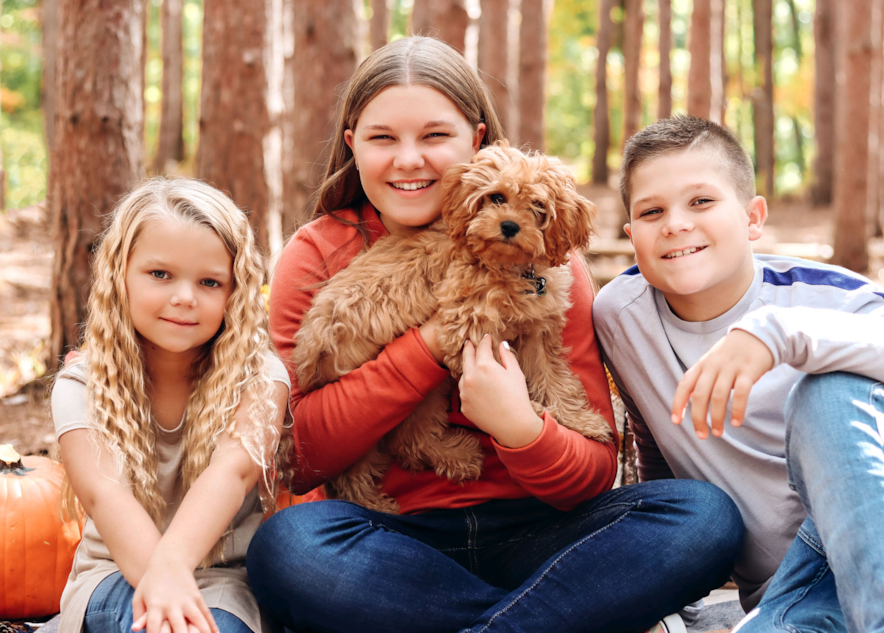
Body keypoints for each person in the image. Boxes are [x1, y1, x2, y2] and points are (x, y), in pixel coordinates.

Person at [246, 36, 743, 633]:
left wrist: (521, 428)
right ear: (352, 145)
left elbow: (591, 471)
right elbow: (299, 457)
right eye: (383, 138)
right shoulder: (318, 252)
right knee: (288, 548)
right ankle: (555, 619)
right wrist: (430, 348)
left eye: (435, 136)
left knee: (704, 518)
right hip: (392, 539)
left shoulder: (550, 262)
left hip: (544, 536)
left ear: (477, 139)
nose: (410, 160)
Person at [594, 114, 884, 632]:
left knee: (830, 391)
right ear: (631, 234)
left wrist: (779, 335)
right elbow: (659, 449)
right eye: (651, 211)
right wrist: (669, 599)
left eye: (702, 201)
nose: (676, 223)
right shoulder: (621, 315)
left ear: (754, 217)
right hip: (804, 593)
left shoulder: (824, 297)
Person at [54, 177, 291, 633]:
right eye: (160, 274)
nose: (184, 297)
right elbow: (106, 496)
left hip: (222, 582)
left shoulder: (260, 379)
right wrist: (164, 584)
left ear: (234, 292)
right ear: (119, 273)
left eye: (209, 281)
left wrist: (174, 575)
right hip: (113, 577)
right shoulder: (82, 385)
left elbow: (231, 473)